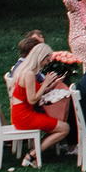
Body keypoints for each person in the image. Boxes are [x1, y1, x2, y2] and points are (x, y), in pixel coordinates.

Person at [5, 31, 74, 160]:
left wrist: (51, 85)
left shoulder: (27, 70)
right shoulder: (29, 73)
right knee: (64, 128)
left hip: (23, 112)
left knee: (60, 123)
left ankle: (35, 152)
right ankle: (32, 155)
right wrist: (45, 83)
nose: (48, 62)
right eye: (47, 59)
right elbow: (32, 100)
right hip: (24, 116)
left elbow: (34, 93)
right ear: (40, 57)